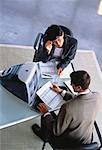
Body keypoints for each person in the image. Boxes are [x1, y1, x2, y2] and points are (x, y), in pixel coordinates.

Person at [31, 70, 100, 149]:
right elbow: (80, 99)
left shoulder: (68, 107)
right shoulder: (96, 96)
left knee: (46, 114)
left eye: (72, 84)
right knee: (52, 115)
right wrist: (61, 92)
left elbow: (56, 131)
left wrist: (46, 113)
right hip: (85, 138)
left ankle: (44, 136)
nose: (70, 84)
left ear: (79, 87)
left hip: (67, 144)